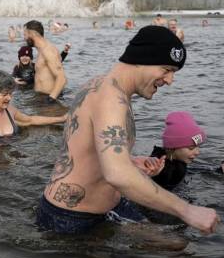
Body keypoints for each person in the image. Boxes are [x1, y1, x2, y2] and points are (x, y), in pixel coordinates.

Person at [36, 26, 219, 235]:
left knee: (172, 245)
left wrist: (128, 161)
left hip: (106, 205)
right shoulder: (111, 100)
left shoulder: (100, 85)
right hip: (72, 218)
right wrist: (186, 210)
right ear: (142, 60)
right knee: (174, 251)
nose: (169, 81)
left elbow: (84, 148)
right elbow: (117, 175)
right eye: (166, 70)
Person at [146, 112, 207, 191]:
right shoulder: (161, 169)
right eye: (191, 148)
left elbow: (189, 170)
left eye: (198, 147)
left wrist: (216, 170)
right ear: (172, 148)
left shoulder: (177, 160)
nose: (197, 152)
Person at [24, 20, 67, 102]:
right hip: (40, 97)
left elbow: (61, 78)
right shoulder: (41, 50)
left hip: (48, 99)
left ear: (32, 34)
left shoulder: (48, 50)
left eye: (25, 34)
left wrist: (51, 99)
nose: (24, 38)